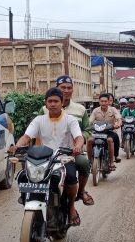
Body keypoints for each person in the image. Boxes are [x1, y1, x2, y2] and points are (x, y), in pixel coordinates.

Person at [9, 88, 84, 226]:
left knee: (71, 177)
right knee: (23, 175)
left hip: (63, 158)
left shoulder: (70, 120)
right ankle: (27, 197)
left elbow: (79, 137)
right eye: (50, 101)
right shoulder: (39, 120)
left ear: (62, 103)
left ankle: (71, 207)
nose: (53, 104)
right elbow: (26, 137)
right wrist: (17, 147)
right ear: (46, 103)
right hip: (43, 158)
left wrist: (77, 146)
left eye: (56, 101)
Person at [41, 75, 94, 206]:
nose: (66, 90)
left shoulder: (80, 109)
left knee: (84, 163)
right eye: (63, 87)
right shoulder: (44, 109)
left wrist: (78, 140)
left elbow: (88, 130)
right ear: (57, 89)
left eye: (69, 88)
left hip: (71, 152)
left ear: (72, 90)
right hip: (49, 152)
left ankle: (80, 192)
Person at [88, 93, 122, 169]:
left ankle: (111, 162)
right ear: (99, 102)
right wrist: (87, 126)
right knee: (89, 140)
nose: (104, 103)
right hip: (97, 132)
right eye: (102, 101)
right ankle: (89, 161)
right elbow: (90, 121)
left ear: (108, 102)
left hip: (109, 132)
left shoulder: (113, 110)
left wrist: (118, 123)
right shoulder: (95, 110)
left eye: (105, 101)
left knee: (110, 140)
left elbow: (118, 118)